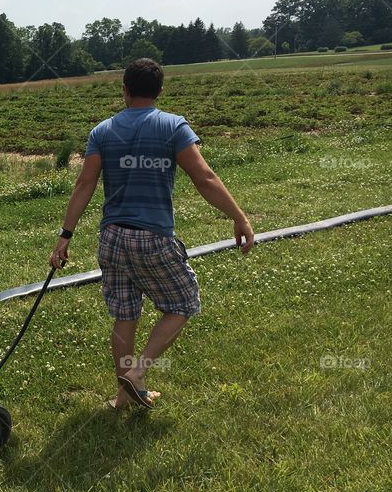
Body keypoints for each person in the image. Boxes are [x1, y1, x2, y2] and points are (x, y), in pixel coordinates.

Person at [48, 58, 255, 409]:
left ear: (125, 90)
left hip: (112, 238)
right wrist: (239, 217)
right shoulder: (173, 127)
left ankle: (124, 398)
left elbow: (85, 183)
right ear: (159, 91)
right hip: (154, 238)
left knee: (125, 314)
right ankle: (137, 374)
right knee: (184, 303)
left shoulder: (102, 131)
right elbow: (203, 177)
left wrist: (65, 235)